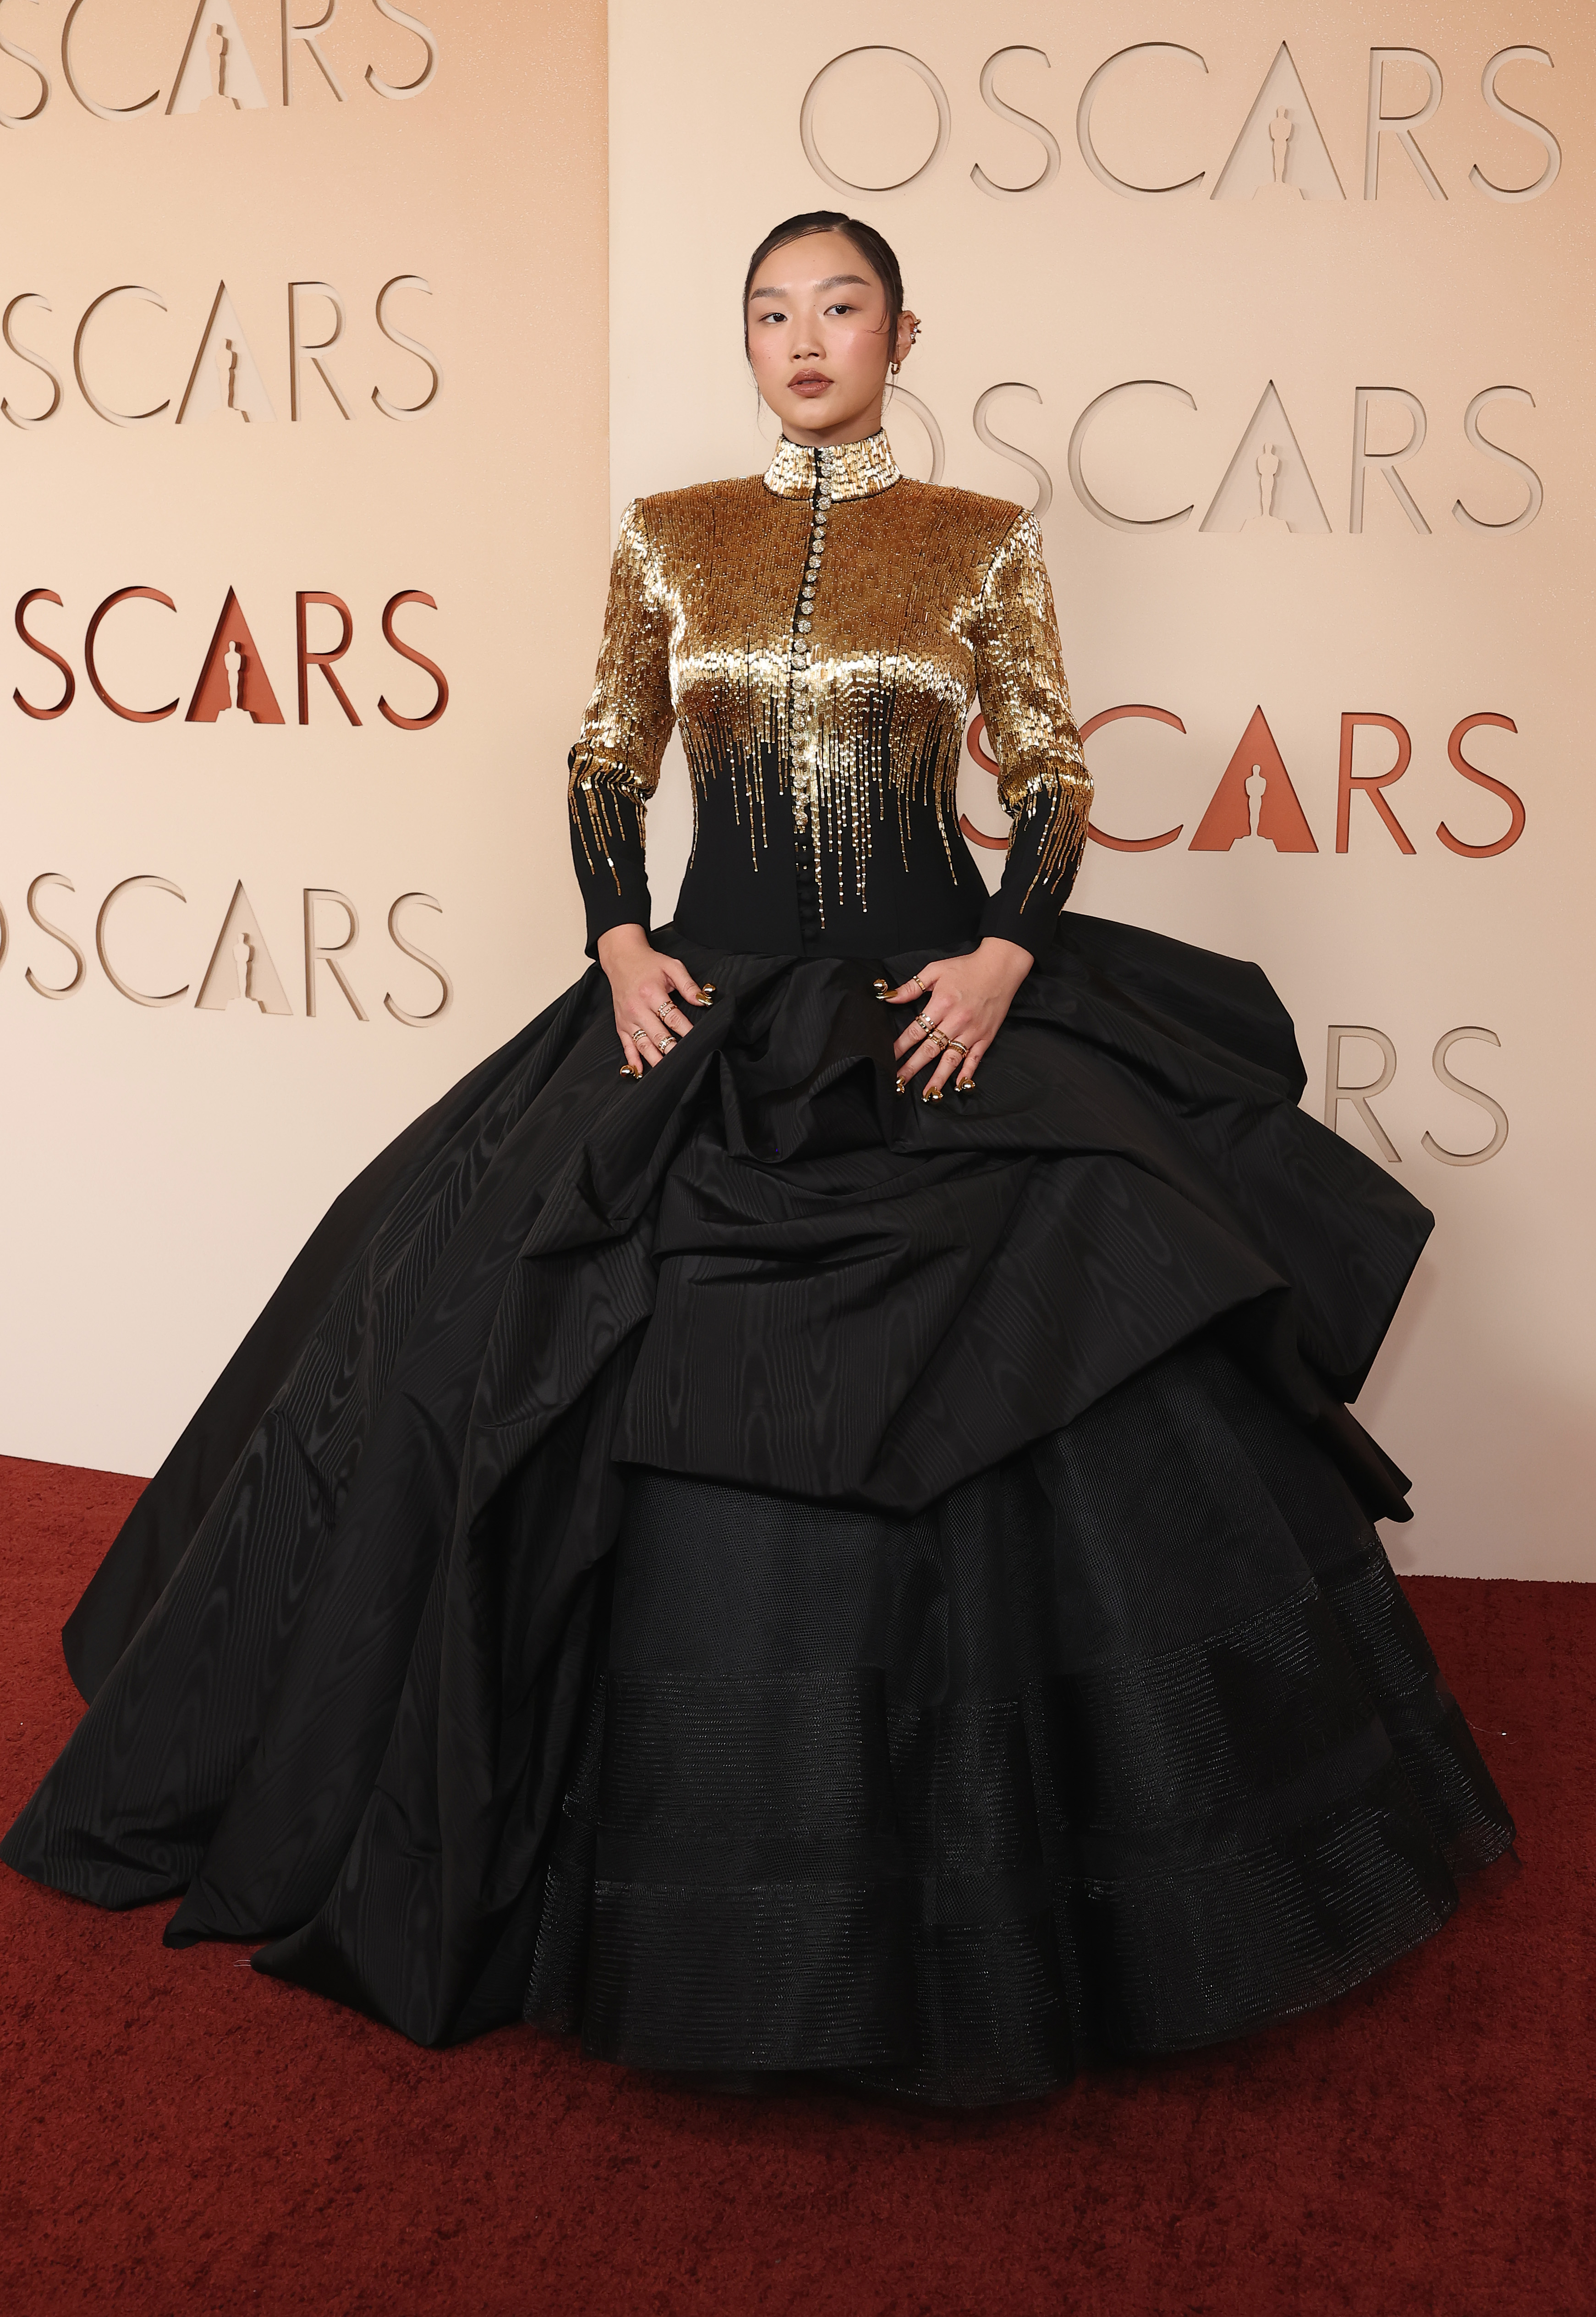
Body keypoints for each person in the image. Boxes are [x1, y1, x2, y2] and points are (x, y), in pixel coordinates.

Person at [2, 212, 1512, 2105]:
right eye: (770, 313)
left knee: (1067, 1353)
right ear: (747, 342)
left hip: (921, 1005)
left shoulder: (977, 541)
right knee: (448, 1305)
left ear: (900, 331)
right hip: (696, 1009)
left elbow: (1049, 778)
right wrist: (617, 941)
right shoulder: (666, 533)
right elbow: (596, 756)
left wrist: (1004, 953)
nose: (803, 340)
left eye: (840, 308)